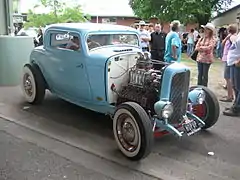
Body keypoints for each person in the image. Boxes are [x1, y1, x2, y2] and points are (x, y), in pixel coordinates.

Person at [223, 33, 240, 117]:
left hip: (237, 63)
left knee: (239, 87)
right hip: (233, 62)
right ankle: (236, 105)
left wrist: (239, 61)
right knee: (235, 86)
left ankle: (237, 108)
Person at [219, 24, 237, 102]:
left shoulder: (232, 37)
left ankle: (230, 96)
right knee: (228, 78)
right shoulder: (230, 37)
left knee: (228, 78)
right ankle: (230, 95)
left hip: (229, 60)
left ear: (229, 30)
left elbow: (222, 44)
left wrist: (228, 37)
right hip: (227, 59)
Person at [195, 23, 216, 87]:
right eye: (204, 29)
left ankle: (204, 88)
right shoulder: (201, 38)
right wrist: (202, 48)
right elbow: (196, 47)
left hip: (207, 60)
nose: (204, 30)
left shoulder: (212, 39)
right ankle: (198, 87)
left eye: (206, 29)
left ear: (210, 31)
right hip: (200, 59)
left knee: (205, 75)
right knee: (199, 74)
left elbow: (210, 48)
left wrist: (201, 48)